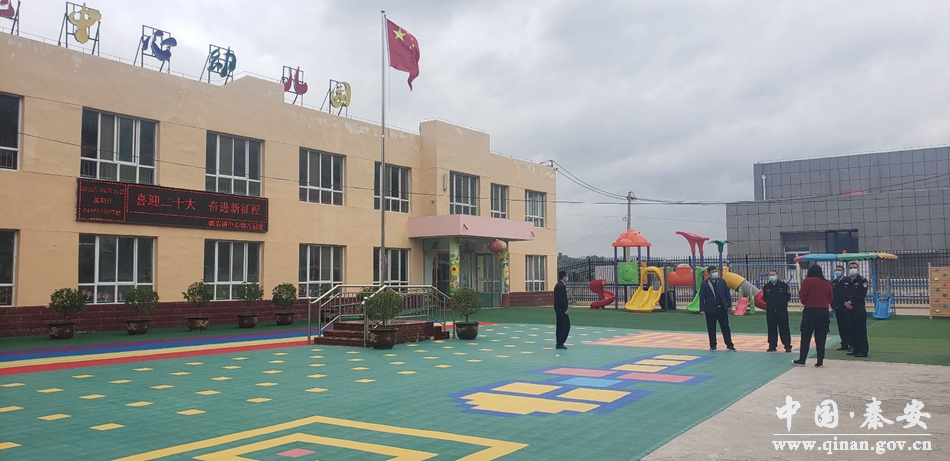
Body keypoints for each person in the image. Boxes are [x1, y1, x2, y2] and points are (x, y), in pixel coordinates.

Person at [794, 264, 833, 368]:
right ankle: (820, 361)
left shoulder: (807, 281)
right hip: (823, 312)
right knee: (821, 338)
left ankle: (802, 360)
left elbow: (803, 298)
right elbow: (830, 298)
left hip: (810, 311)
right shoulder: (827, 283)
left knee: (806, 337)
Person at [699, 265, 735, 351]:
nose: (715, 273)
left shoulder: (722, 282)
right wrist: (702, 309)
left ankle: (729, 345)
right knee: (711, 328)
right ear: (708, 274)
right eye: (712, 272)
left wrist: (729, 305)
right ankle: (713, 346)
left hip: (722, 308)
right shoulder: (704, 284)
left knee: (725, 327)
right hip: (710, 309)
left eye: (715, 271)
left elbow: (727, 294)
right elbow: (702, 296)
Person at [762, 269, 792, 352]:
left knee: (784, 328)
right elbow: (765, 298)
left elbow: (788, 297)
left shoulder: (784, 286)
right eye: (770, 275)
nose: (772, 276)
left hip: (781, 311)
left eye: (773, 275)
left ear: (777, 276)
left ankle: (787, 345)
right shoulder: (766, 287)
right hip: (771, 311)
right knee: (771, 328)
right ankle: (772, 346)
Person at [844, 262, 870, 358]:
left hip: (858, 308)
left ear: (858, 269)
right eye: (851, 268)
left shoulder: (862, 280)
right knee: (852, 330)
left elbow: (861, 295)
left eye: (854, 267)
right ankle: (855, 349)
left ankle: (863, 351)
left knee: (860, 330)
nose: (853, 269)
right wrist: (845, 302)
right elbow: (843, 293)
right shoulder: (846, 281)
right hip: (848, 309)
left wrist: (851, 302)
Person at [831, 264, 852, 352]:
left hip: (846, 307)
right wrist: (832, 306)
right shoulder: (834, 282)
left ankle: (851, 344)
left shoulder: (847, 281)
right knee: (841, 326)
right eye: (836, 270)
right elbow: (832, 295)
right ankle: (844, 344)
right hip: (837, 307)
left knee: (848, 326)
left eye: (839, 270)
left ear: (843, 272)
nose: (837, 272)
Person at [553, 270, 570, 350]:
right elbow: (562, 299)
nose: (567, 278)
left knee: (559, 325)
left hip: (557, 308)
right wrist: (565, 309)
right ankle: (561, 342)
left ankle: (559, 343)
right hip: (561, 309)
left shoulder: (557, 285)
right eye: (566, 276)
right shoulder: (561, 286)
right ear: (563, 277)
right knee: (566, 325)